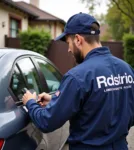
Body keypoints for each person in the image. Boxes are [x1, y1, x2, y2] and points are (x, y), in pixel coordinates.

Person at [22, 12, 134, 150]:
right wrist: (55, 100)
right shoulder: (126, 69)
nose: (68, 49)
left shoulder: (77, 76)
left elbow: (47, 122)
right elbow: (103, 101)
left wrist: (30, 102)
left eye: (68, 43)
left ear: (78, 40)